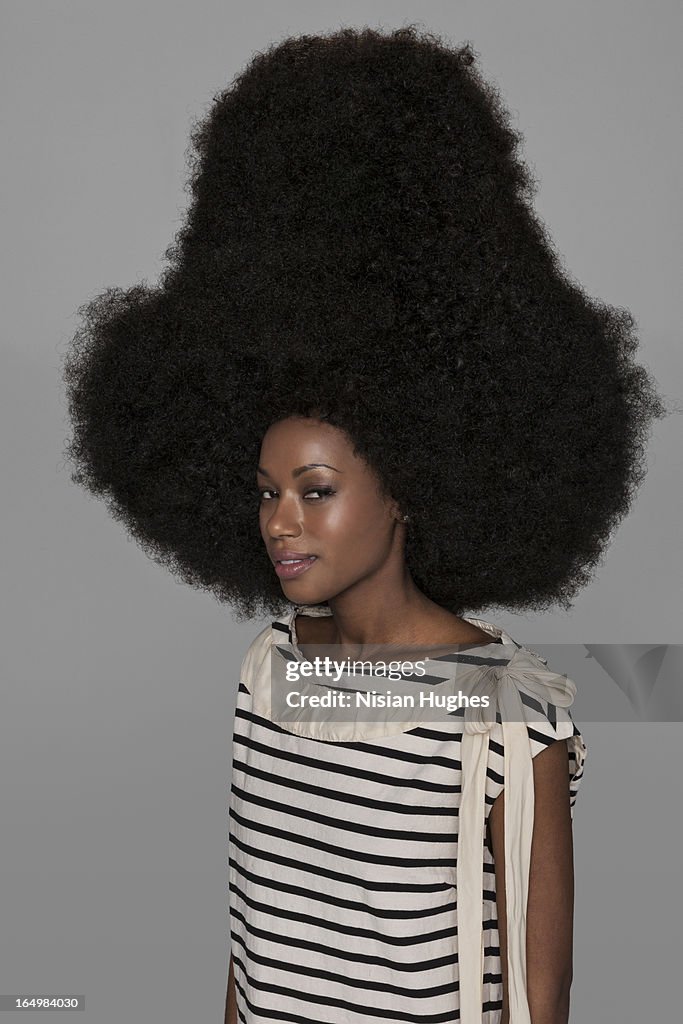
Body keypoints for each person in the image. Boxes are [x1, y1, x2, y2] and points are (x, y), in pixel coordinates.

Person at [61, 24, 667, 1024]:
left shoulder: (507, 712)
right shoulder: (271, 675)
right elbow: (252, 949)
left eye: (315, 487)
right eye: (263, 490)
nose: (279, 522)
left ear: (409, 485)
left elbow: (537, 1000)